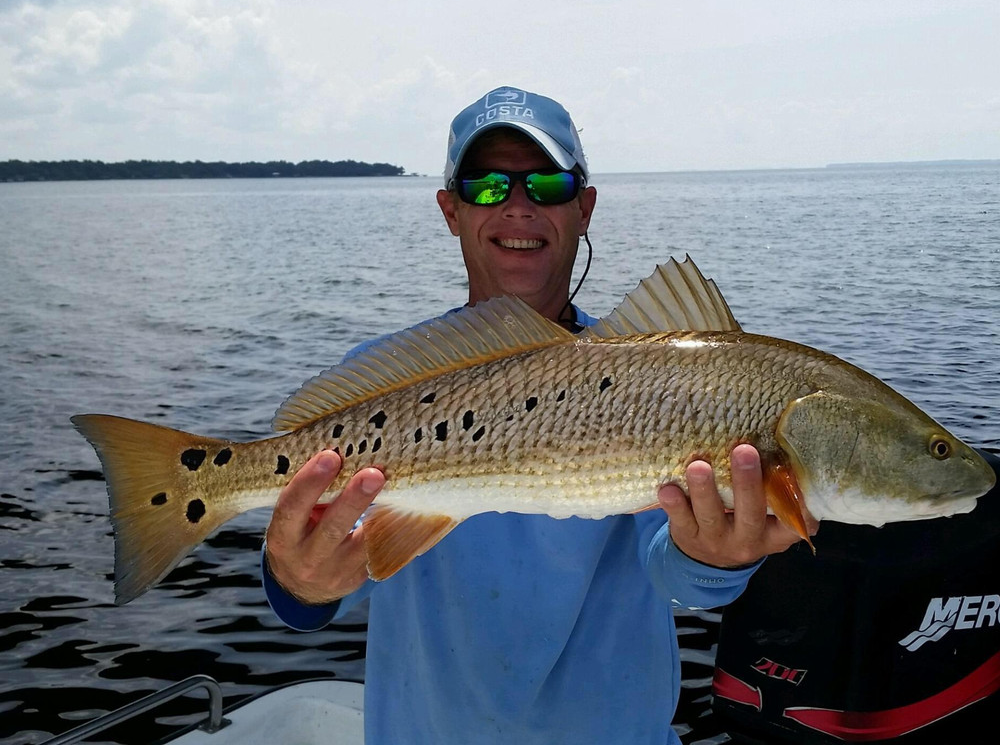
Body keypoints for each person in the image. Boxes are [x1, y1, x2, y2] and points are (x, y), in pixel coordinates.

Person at [262, 86, 808, 743]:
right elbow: (323, 587)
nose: (517, 205)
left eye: (547, 184)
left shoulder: (660, 380)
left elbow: (680, 575)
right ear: (450, 209)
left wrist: (718, 557)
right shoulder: (383, 381)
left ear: (584, 207)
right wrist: (299, 579)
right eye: (487, 185)